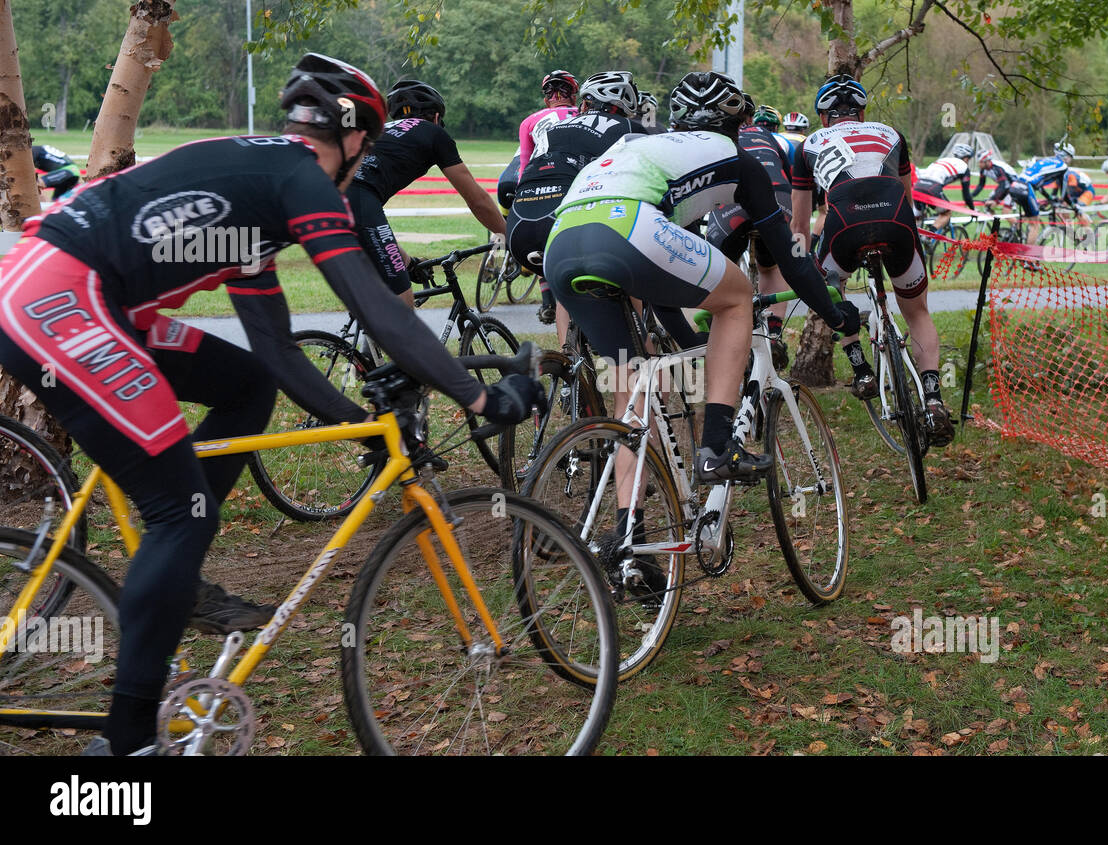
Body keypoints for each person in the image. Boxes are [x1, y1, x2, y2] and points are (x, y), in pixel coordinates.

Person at [0, 53, 540, 756]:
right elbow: (379, 308)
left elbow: (279, 355)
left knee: (244, 384)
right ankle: (128, 739)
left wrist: (358, 425)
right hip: (62, 303)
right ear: (352, 140)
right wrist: (479, 394)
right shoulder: (299, 180)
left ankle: (178, 566)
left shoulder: (262, 193)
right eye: (368, 147)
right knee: (179, 513)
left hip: (67, 293)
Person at [544, 71, 857, 489]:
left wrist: (692, 344)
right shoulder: (737, 156)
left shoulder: (637, 141)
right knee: (738, 298)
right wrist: (835, 316)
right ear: (738, 122)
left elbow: (663, 290)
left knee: (630, 398)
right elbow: (793, 261)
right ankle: (715, 448)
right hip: (628, 228)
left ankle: (629, 543)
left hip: (561, 241)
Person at [790, 74, 955, 447]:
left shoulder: (806, 146)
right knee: (917, 312)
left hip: (844, 222)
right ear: (862, 112)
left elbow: (800, 223)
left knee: (829, 289)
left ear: (822, 117)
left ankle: (861, 368)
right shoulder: (892, 133)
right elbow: (908, 200)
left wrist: (801, 261)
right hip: (896, 220)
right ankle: (932, 398)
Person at [506, 71, 649, 333]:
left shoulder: (540, 124)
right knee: (631, 278)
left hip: (518, 226)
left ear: (584, 102)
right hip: (566, 216)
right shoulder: (631, 129)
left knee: (565, 290)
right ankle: (639, 344)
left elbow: (522, 170)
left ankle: (566, 363)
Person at [349, 79, 505, 306]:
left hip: (332, 196)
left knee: (381, 287)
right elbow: (477, 199)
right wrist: (508, 236)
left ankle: (361, 340)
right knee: (402, 304)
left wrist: (409, 263)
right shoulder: (433, 133)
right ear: (435, 118)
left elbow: (373, 231)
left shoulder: (380, 131)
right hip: (358, 198)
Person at [706, 93, 797, 362]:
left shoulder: (715, 136)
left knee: (718, 269)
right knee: (771, 267)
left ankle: (721, 334)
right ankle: (775, 332)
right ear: (751, 116)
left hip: (732, 206)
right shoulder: (769, 136)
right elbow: (788, 175)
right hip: (778, 198)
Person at [518, 69, 581, 173]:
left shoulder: (528, 122)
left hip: (540, 177)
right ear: (574, 98)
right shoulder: (588, 114)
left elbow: (524, 166)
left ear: (546, 101)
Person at [912, 142, 976, 231]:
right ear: (966, 158)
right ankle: (929, 236)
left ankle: (914, 239)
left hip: (918, 186)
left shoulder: (942, 160)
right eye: (969, 159)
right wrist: (973, 210)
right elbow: (966, 196)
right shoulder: (964, 167)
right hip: (932, 187)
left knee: (917, 218)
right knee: (946, 213)